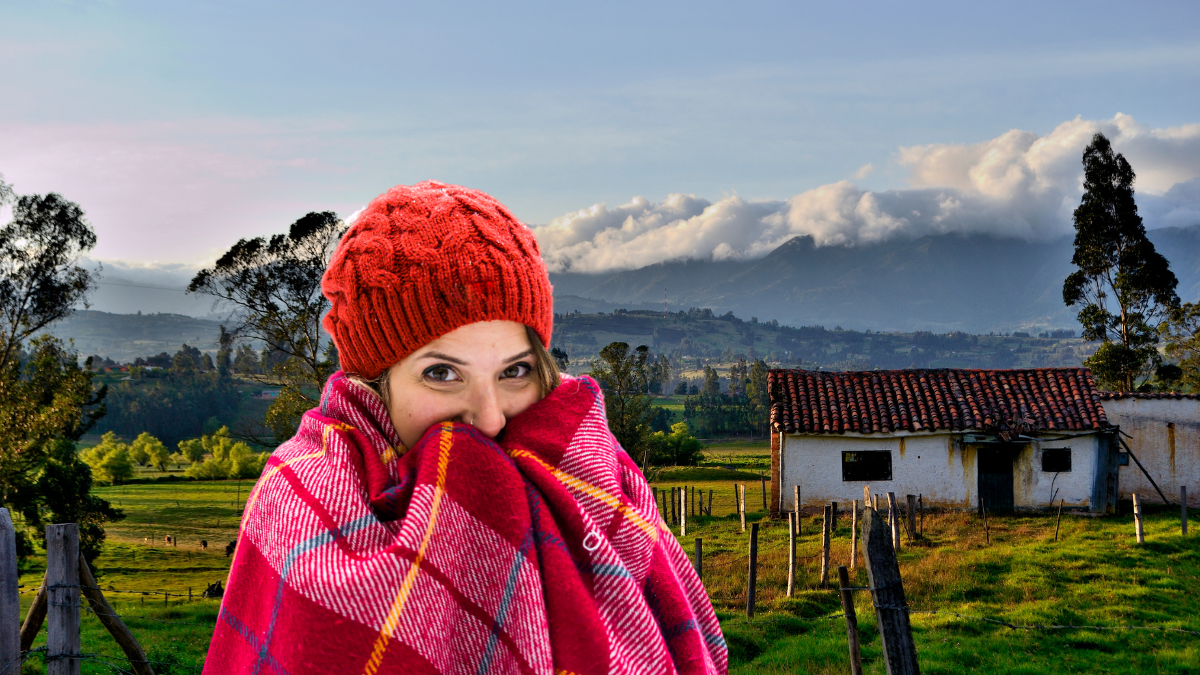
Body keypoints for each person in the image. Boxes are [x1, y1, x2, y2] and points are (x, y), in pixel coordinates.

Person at [204, 182, 727, 675]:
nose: (491, 418)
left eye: (514, 371)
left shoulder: (593, 469)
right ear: (376, 381)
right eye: (442, 373)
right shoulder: (299, 501)